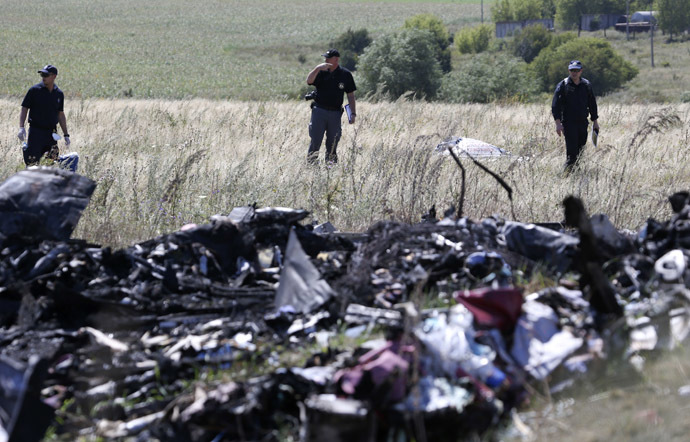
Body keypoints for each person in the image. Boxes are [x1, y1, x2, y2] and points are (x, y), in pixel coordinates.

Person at [306, 49, 356, 164]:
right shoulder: (321, 72)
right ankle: (311, 167)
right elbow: (309, 81)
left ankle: (331, 168)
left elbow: (350, 96)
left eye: (328, 58)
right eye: (325, 58)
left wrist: (352, 114)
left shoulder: (345, 74)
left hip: (335, 113)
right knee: (315, 141)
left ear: (336, 59)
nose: (326, 60)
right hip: (319, 111)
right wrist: (317, 68)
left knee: (333, 142)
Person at [17, 64, 70, 166]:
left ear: (54, 76)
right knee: (32, 163)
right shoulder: (34, 91)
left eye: (46, 75)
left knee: (51, 163)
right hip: (36, 132)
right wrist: (21, 127)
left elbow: (60, 114)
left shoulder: (58, 94)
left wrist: (66, 135)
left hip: (52, 133)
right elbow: (24, 108)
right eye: (42, 75)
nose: (43, 77)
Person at [551, 60, 599, 172]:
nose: (574, 73)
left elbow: (592, 104)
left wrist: (595, 122)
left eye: (577, 70)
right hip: (568, 123)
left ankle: (575, 172)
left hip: (583, 122)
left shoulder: (586, 85)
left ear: (581, 71)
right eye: (572, 70)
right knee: (572, 152)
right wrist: (558, 124)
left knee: (580, 150)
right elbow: (555, 106)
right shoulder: (563, 85)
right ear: (569, 70)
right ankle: (565, 174)